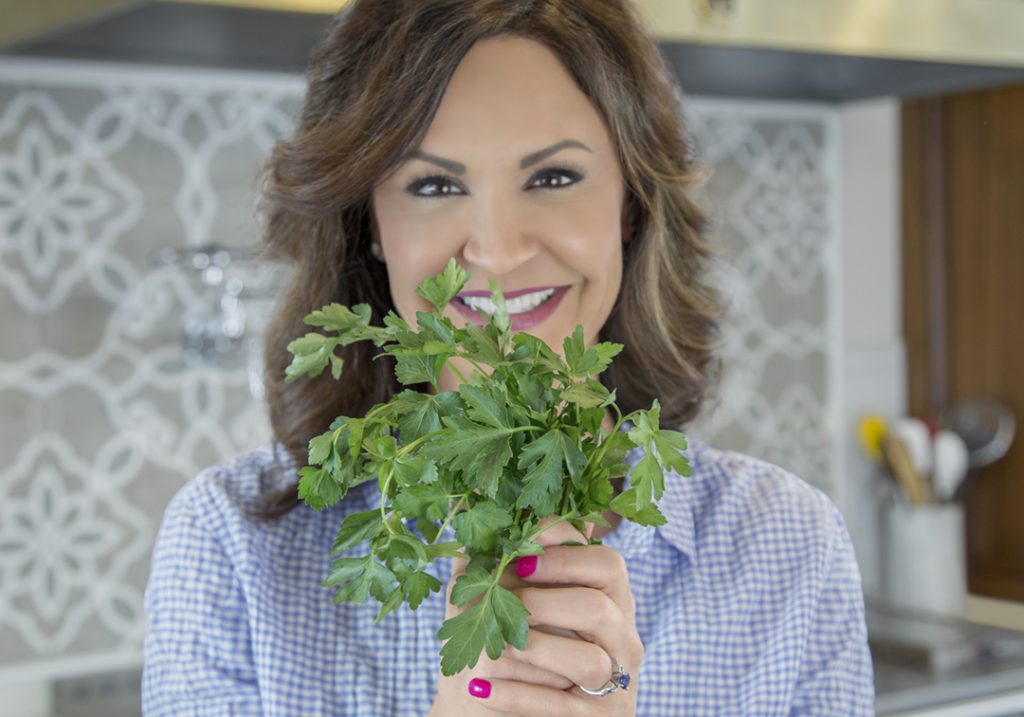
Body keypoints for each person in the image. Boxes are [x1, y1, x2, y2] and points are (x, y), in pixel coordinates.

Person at [142, 1, 875, 715]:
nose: (498, 251)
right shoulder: (230, 547)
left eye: (553, 177)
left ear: (630, 205)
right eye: (434, 185)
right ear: (369, 225)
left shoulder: (790, 544)